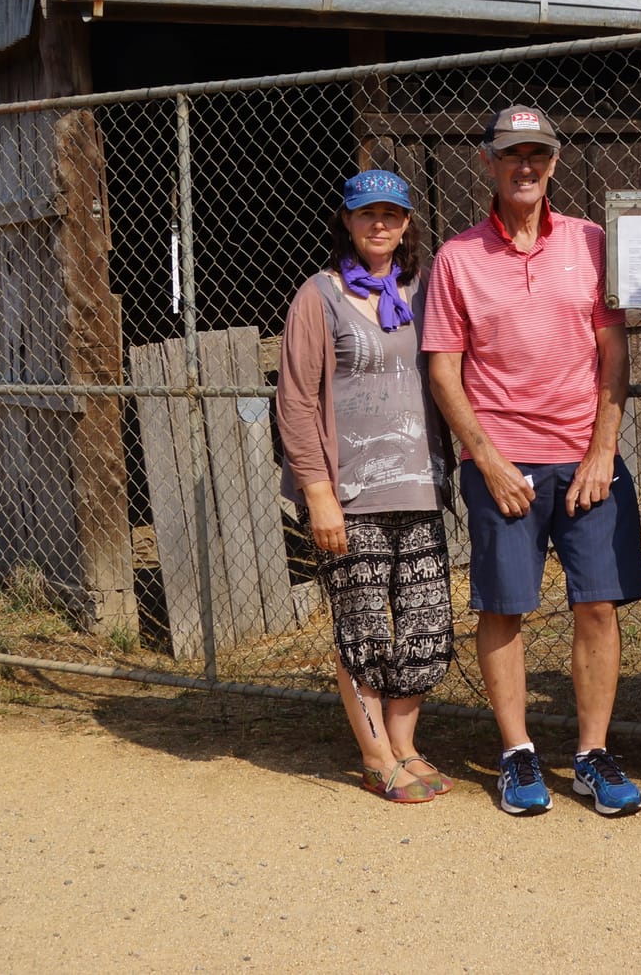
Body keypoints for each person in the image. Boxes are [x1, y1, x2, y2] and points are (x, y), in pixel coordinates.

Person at [423, 104, 641, 817]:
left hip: (585, 458)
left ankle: (590, 754)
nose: (527, 166)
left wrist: (602, 452)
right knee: (504, 605)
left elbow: (616, 352)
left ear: (554, 162)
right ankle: (518, 752)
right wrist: (487, 461)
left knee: (598, 604)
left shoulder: (590, 241)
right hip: (503, 462)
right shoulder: (457, 257)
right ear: (486, 162)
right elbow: (443, 372)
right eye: (512, 154)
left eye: (539, 154)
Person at [275, 169, 455, 805]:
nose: (379, 224)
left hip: (423, 488)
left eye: (392, 214)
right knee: (364, 629)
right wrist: (317, 492)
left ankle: (406, 746)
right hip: (352, 497)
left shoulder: (424, 290)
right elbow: (296, 402)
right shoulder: (317, 297)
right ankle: (375, 755)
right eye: (366, 213)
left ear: (407, 222)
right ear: (347, 222)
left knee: (424, 628)